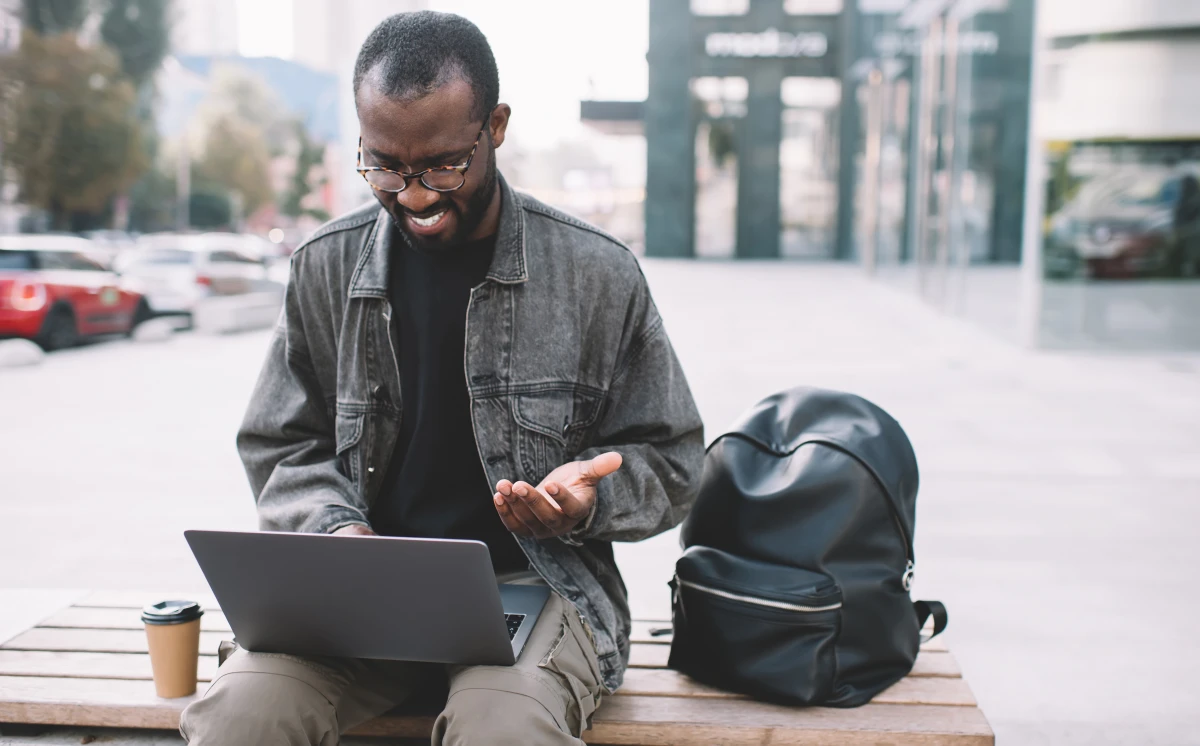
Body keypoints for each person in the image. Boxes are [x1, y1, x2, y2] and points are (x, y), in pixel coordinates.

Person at [179, 10, 704, 746]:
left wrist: (588, 502)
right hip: (353, 597)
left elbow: (676, 459)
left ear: (495, 125)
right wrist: (337, 530)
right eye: (385, 165)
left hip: (536, 584)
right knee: (243, 715)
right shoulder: (325, 267)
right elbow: (280, 443)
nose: (415, 195)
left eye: (442, 166)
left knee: (504, 728)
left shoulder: (596, 273)